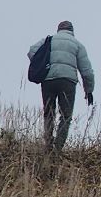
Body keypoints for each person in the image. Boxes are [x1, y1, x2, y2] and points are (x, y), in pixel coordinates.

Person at [29, 20, 93, 153]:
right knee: (65, 116)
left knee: (49, 113)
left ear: (58, 30)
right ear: (72, 31)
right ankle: (58, 148)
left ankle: (48, 145)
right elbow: (87, 72)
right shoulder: (77, 45)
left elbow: (31, 51)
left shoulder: (48, 40)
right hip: (67, 82)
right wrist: (89, 91)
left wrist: (43, 63)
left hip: (48, 80)